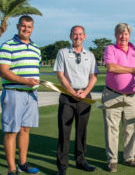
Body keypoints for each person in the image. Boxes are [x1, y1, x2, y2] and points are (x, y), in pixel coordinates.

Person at [0, 15, 41, 175]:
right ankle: (12, 169)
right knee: (11, 131)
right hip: (14, 93)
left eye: (29, 27)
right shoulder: (7, 46)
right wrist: (25, 81)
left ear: (32, 28)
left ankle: (23, 163)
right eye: (23, 26)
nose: (26, 29)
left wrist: (35, 82)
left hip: (31, 95)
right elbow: (4, 72)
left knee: (25, 130)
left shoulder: (36, 48)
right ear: (17, 26)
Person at [53, 25, 99, 175]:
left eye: (80, 34)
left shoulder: (90, 55)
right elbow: (60, 75)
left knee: (82, 131)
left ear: (84, 36)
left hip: (85, 97)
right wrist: (72, 92)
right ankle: (62, 166)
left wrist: (85, 92)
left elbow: (93, 76)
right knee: (64, 132)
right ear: (70, 36)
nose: (78, 37)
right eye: (75, 34)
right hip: (67, 97)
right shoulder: (63, 53)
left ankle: (81, 161)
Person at [102, 23, 135, 172]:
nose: (123, 37)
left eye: (125, 34)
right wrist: (132, 70)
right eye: (120, 34)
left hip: (132, 96)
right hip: (112, 95)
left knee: (132, 128)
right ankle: (112, 160)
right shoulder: (110, 49)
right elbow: (111, 67)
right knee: (112, 128)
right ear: (115, 35)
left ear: (129, 35)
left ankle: (129, 157)